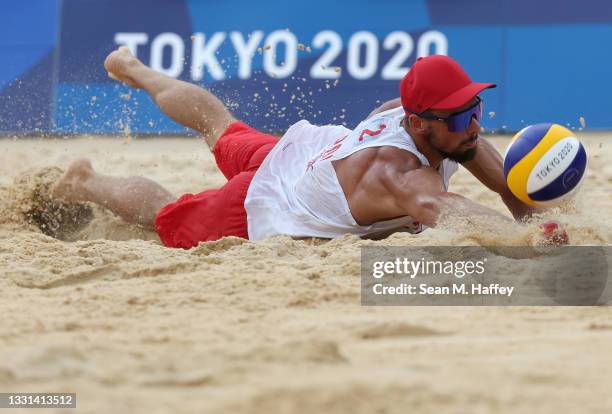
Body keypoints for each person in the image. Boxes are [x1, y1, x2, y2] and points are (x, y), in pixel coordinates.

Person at [52, 47, 567, 248]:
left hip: (303, 154)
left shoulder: (428, 121)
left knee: (217, 122)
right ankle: (85, 181)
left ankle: (137, 71)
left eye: (475, 108)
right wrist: (534, 241)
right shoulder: (404, 176)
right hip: (268, 202)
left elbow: (498, 176)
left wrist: (530, 214)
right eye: (459, 115)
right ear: (417, 122)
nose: (473, 124)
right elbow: (457, 212)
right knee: (167, 215)